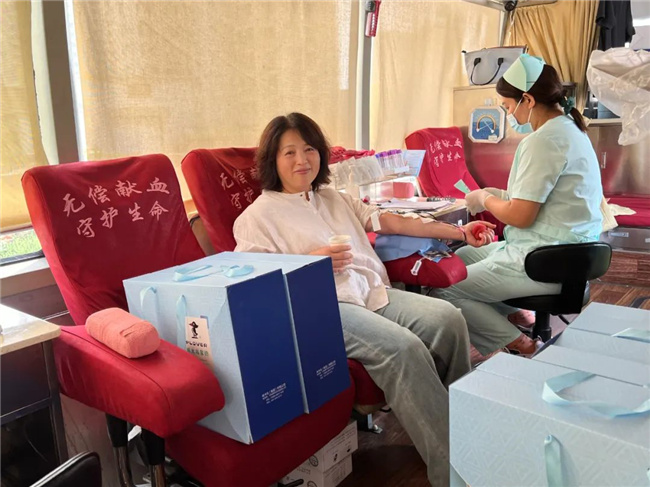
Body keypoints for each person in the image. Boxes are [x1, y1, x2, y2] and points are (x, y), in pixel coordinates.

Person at [233, 112, 494, 486]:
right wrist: (310, 262)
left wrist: (460, 232)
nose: (301, 160)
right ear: (272, 161)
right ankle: (455, 473)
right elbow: (255, 285)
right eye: (289, 152)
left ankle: (464, 432)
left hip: (370, 292)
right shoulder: (257, 218)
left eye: (309, 149)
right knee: (402, 349)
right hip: (321, 308)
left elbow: (393, 221)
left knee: (448, 319)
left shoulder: (334, 198)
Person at [432, 54, 603, 357]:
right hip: (567, 253)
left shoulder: (542, 140)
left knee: (444, 288)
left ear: (528, 99)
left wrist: (485, 199)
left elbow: (521, 216)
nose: (509, 114)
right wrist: (497, 193)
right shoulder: (570, 130)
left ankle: (524, 345)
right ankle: (517, 315)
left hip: (546, 261)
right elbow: (542, 197)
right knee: (465, 256)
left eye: (508, 106)